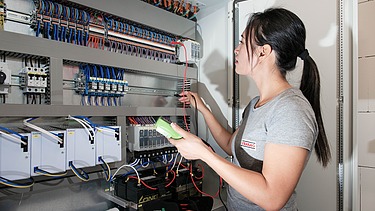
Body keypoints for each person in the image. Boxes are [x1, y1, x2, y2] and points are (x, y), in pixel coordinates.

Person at [168, 7, 331, 211]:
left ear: (263, 52)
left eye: (242, 42)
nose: (236, 49)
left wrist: (203, 154)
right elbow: (230, 145)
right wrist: (203, 108)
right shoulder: (256, 104)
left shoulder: (291, 110)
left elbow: (273, 198)